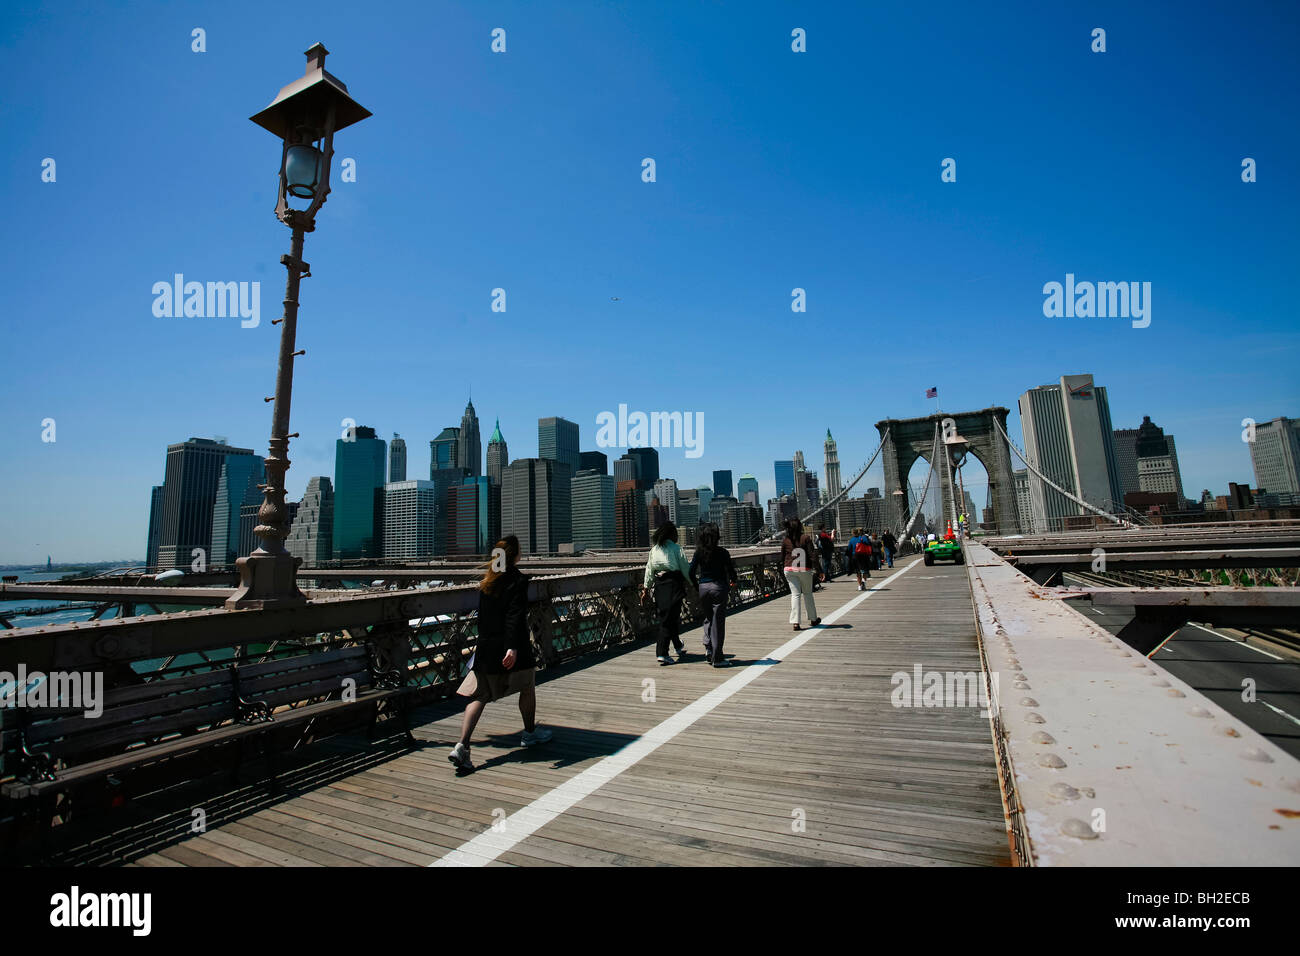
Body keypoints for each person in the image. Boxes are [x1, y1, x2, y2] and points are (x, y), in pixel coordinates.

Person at [448, 535, 551, 773]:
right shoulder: (517, 580)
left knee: (480, 695)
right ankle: (529, 733)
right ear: (515, 555)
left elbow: (483, 619)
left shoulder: (487, 582)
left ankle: (462, 745)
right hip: (513, 646)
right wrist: (512, 646)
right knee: (527, 686)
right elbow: (514, 615)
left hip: (487, 647)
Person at [642, 521, 693, 665]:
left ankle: (677, 644)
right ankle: (662, 653)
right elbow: (685, 568)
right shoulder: (677, 549)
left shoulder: (654, 550)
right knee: (668, 619)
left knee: (668, 616)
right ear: (672, 534)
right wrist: (693, 583)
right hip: (674, 584)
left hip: (659, 586)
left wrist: (646, 590)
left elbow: (649, 571)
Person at [689, 522, 738, 667]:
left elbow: (691, 572)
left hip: (703, 588)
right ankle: (718, 658)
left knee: (708, 618)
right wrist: (733, 581)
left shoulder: (699, 552)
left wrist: (696, 585)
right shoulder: (723, 552)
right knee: (718, 622)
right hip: (718, 588)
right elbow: (731, 571)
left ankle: (708, 648)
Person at [781, 518, 822, 631]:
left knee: (795, 595)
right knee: (808, 593)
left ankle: (795, 622)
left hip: (789, 569)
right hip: (804, 569)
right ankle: (813, 619)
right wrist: (819, 570)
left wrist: (783, 568)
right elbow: (812, 555)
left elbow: (782, 556)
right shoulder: (806, 538)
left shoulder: (786, 540)